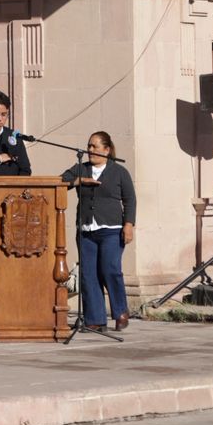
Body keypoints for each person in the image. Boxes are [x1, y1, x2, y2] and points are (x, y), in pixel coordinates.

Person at [61, 131, 136, 331]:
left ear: (106, 149)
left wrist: (129, 225)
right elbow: (61, 181)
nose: (90, 150)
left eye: (94, 146)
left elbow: (130, 199)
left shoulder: (119, 171)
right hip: (86, 230)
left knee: (110, 269)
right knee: (89, 274)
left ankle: (120, 312)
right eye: (89, 146)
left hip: (111, 229)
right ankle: (95, 319)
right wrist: (80, 181)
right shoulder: (81, 168)